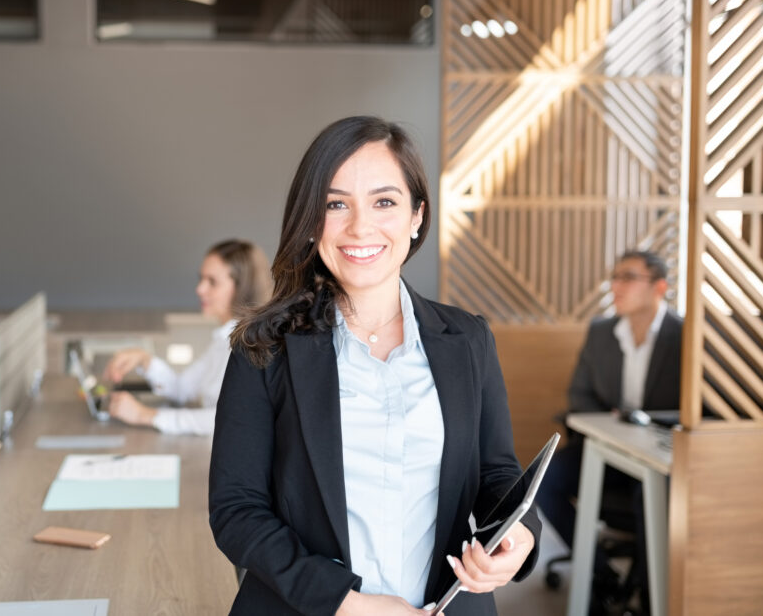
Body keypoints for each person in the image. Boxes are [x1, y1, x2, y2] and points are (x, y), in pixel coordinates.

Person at [208, 116, 540, 616]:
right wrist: (346, 603)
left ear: (416, 217)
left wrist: (520, 537)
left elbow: (496, 476)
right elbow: (237, 511)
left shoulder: (468, 340)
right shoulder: (266, 346)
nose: (360, 226)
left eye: (384, 202)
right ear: (311, 222)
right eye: (335, 204)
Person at [535, 250, 682, 610]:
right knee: (545, 479)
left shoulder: (684, 335)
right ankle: (602, 575)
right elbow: (579, 394)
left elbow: (699, 406)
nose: (615, 286)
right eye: (614, 277)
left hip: (661, 456)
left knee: (650, 493)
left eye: (628, 278)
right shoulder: (601, 332)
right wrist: (615, 421)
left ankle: (651, 598)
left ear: (659, 287)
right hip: (608, 445)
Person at [103, 239, 270, 436]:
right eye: (201, 279)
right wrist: (144, 360)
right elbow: (182, 388)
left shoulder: (249, 345)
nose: (199, 289)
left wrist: (146, 415)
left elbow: (227, 419)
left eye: (212, 282)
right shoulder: (223, 339)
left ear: (241, 287)